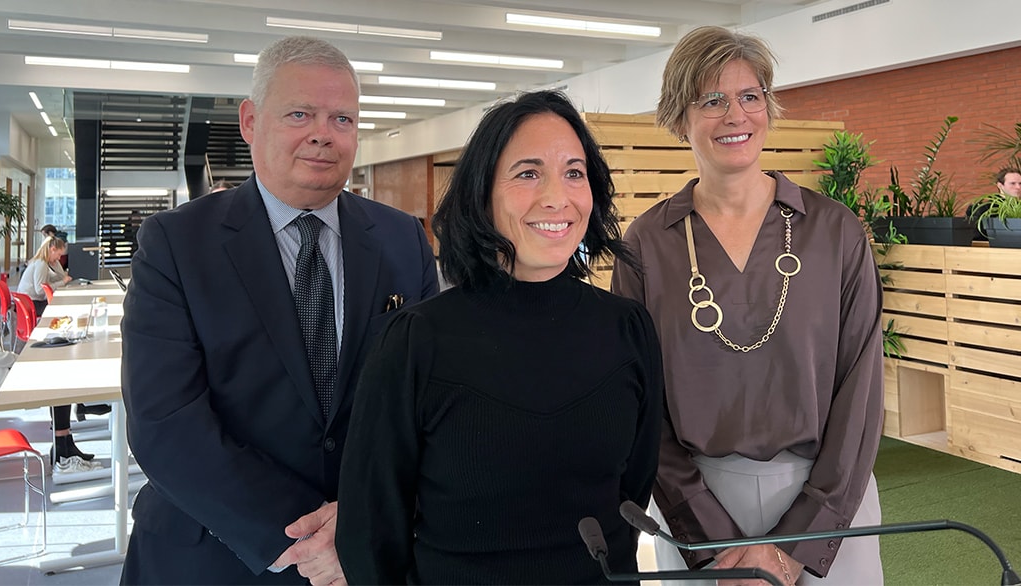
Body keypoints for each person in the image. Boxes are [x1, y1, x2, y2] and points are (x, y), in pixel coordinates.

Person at [120, 35, 439, 585]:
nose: (323, 133)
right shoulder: (175, 243)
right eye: (300, 113)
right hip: (216, 551)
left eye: (342, 118)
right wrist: (306, 539)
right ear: (250, 122)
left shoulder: (403, 240)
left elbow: (432, 400)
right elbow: (165, 423)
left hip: (361, 553)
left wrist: (361, 523)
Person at [336, 90, 664, 584]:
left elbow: (631, 492)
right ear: (481, 192)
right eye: (528, 173)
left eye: (574, 172)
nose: (557, 196)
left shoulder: (627, 330)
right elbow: (370, 534)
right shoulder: (416, 343)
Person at [612, 26, 884, 586]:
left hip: (829, 504)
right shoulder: (647, 244)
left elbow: (861, 394)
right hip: (697, 507)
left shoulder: (834, 233)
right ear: (678, 117)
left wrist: (802, 540)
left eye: (749, 96)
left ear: (767, 107)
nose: (734, 115)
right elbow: (639, 404)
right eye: (711, 100)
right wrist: (711, 540)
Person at [18, 236, 101, 472]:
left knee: (65, 366)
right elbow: (39, 290)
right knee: (62, 368)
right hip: (37, 308)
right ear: (52, 249)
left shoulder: (50, 263)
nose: (60, 257)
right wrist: (62, 281)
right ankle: (63, 446)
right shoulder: (40, 265)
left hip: (41, 310)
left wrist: (62, 276)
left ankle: (64, 441)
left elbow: (60, 278)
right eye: (59, 252)